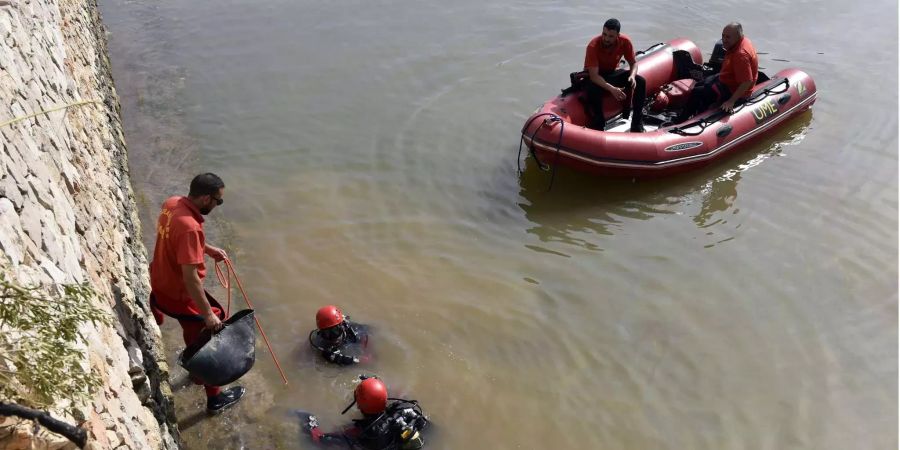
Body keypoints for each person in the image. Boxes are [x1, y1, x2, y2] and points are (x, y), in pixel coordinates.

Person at [148, 173, 246, 414]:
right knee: (211, 336)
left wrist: (208, 249)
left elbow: (178, 240)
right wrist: (208, 317)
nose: (217, 205)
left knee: (196, 326)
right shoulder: (191, 228)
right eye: (217, 201)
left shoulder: (172, 204)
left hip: (159, 285)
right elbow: (191, 279)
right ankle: (215, 399)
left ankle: (193, 371)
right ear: (204, 198)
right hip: (179, 295)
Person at [298, 376, 428, 449]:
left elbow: (320, 439)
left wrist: (308, 421)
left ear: (359, 405)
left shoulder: (362, 433)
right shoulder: (405, 414)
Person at [675, 22, 758, 122]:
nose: (724, 40)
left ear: (738, 36)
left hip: (733, 89)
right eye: (723, 36)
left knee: (698, 93)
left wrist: (731, 101)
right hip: (729, 78)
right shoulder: (742, 41)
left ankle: (682, 120)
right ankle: (692, 110)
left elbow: (747, 81)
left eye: (728, 37)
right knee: (701, 84)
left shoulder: (740, 55)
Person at [583, 18, 646, 132]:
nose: (606, 39)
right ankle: (599, 124)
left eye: (611, 36)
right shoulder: (593, 46)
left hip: (612, 74)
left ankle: (637, 123)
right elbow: (594, 76)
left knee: (640, 81)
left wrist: (632, 76)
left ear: (618, 35)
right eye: (604, 34)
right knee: (592, 89)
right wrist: (612, 89)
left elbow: (633, 63)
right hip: (596, 77)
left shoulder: (625, 41)